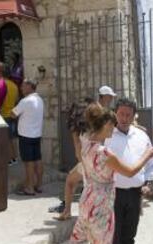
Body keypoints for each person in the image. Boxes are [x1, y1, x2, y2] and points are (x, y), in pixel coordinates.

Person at [71, 103, 153, 244]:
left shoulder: (86, 144)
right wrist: (147, 155)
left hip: (89, 201)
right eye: (112, 124)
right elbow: (130, 171)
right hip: (102, 205)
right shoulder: (105, 153)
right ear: (104, 125)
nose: (114, 127)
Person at [50, 85, 117, 217]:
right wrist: (77, 148)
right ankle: (70, 211)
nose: (110, 99)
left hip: (92, 156)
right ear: (103, 96)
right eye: (109, 97)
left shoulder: (102, 113)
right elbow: (77, 129)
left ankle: (73, 212)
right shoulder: (96, 112)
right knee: (76, 182)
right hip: (91, 156)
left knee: (83, 185)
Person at [106, 98, 153, 244]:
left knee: (129, 237)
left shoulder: (142, 136)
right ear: (115, 114)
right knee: (114, 238)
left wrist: (148, 182)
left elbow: (150, 162)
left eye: (128, 114)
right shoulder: (107, 136)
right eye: (121, 114)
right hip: (113, 193)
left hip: (134, 194)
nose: (124, 118)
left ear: (134, 116)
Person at [11, 79, 44, 195]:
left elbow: (13, 114)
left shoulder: (25, 101)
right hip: (36, 134)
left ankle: (29, 188)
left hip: (26, 135)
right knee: (38, 160)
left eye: (23, 86)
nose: (21, 88)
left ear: (30, 86)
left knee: (28, 162)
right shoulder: (39, 99)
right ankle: (39, 185)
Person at [0, 64, 20, 166]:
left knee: (5, 139)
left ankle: (8, 159)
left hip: (3, 115)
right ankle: (14, 158)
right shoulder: (14, 86)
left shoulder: (1, 84)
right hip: (11, 115)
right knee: (12, 138)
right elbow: (16, 101)